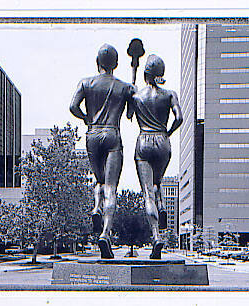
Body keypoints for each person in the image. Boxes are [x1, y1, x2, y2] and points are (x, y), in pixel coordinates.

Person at [70, 44, 136, 259]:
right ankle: (105, 234)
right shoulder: (123, 86)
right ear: (115, 64)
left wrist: (86, 118)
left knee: (99, 181)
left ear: (97, 62)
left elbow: (73, 106)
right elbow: (129, 115)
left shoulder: (85, 82)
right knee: (111, 186)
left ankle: (96, 207)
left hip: (92, 134)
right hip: (112, 134)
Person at [128, 54, 183, 259]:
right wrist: (168, 133)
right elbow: (179, 118)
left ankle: (156, 236)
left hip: (144, 141)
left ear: (146, 75)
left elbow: (128, 115)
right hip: (163, 141)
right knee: (158, 182)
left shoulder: (137, 96)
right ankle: (161, 206)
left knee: (147, 191)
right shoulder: (170, 94)